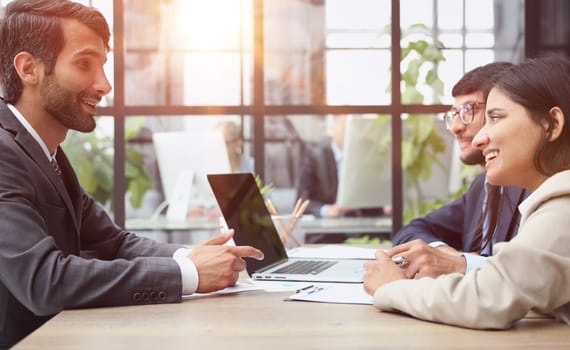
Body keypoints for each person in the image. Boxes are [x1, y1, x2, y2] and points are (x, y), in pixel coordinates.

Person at [0, 0, 263, 347]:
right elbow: (44, 280)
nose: (105, 85)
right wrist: (189, 273)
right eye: (84, 64)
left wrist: (192, 257)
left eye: (103, 66)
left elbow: (114, 242)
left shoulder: (48, 155)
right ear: (28, 69)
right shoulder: (4, 154)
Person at [364, 55, 570, 329]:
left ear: (551, 124)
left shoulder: (563, 206)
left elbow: (486, 298)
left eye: (495, 118)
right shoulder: (539, 197)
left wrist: (391, 288)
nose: (479, 137)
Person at [389, 62, 527, 278]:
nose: (455, 127)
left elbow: (529, 273)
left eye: (468, 111)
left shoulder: (535, 186)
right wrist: (443, 254)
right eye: (454, 113)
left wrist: (461, 265)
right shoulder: (481, 188)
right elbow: (413, 229)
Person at [297, 114, 385, 218]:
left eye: (353, 129)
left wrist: (382, 206)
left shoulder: (366, 156)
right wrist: (327, 210)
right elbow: (301, 201)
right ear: (333, 128)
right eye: (345, 128)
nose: (349, 133)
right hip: (326, 229)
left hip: (361, 224)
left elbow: (373, 195)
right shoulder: (315, 156)